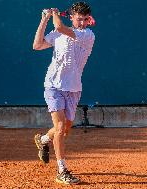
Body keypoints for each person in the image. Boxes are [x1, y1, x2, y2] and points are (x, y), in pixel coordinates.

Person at [33, 1, 95, 185]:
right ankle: (62, 170)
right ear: (72, 17)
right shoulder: (58, 34)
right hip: (53, 86)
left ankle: (43, 139)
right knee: (60, 128)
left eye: (85, 19)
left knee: (65, 129)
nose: (82, 23)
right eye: (79, 19)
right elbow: (37, 45)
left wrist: (53, 14)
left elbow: (60, 26)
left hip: (74, 88)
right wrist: (44, 19)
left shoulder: (87, 35)